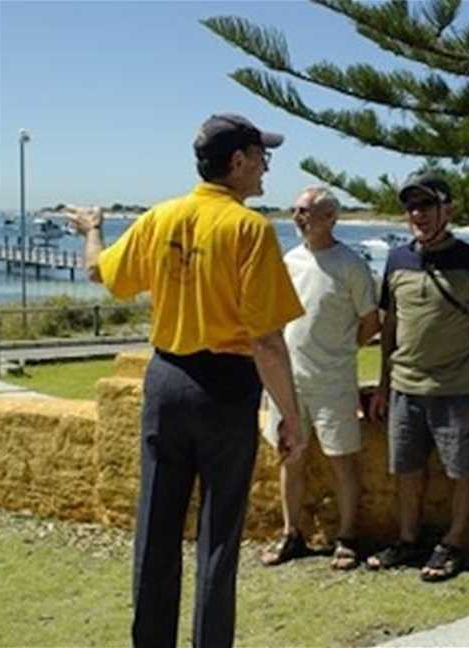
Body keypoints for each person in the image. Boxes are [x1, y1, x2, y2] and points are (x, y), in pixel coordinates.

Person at [66, 113, 306, 648]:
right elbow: (266, 341)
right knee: (219, 537)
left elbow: (100, 274)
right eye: (261, 155)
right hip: (225, 387)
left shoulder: (161, 217)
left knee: (156, 527)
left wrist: (94, 231)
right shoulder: (248, 228)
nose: (267, 165)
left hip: (166, 380)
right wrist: (290, 415)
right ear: (238, 162)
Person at [366, 171, 469, 582]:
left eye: (426, 205)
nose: (417, 214)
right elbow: (389, 327)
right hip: (405, 389)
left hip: (457, 389)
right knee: (406, 469)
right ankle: (409, 539)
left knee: (463, 470)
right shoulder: (397, 259)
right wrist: (383, 384)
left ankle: (454, 542)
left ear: (448, 209)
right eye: (411, 206)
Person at [259, 186, 381, 570]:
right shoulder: (289, 260)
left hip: (333, 381)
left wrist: (339, 352)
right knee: (289, 458)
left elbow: (369, 323)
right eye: (295, 210)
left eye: (305, 211)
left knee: (342, 460)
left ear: (330, 218)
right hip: (287, 381)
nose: (298, 217)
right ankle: (291, 534)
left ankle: (347, 537)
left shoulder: (351, 265)